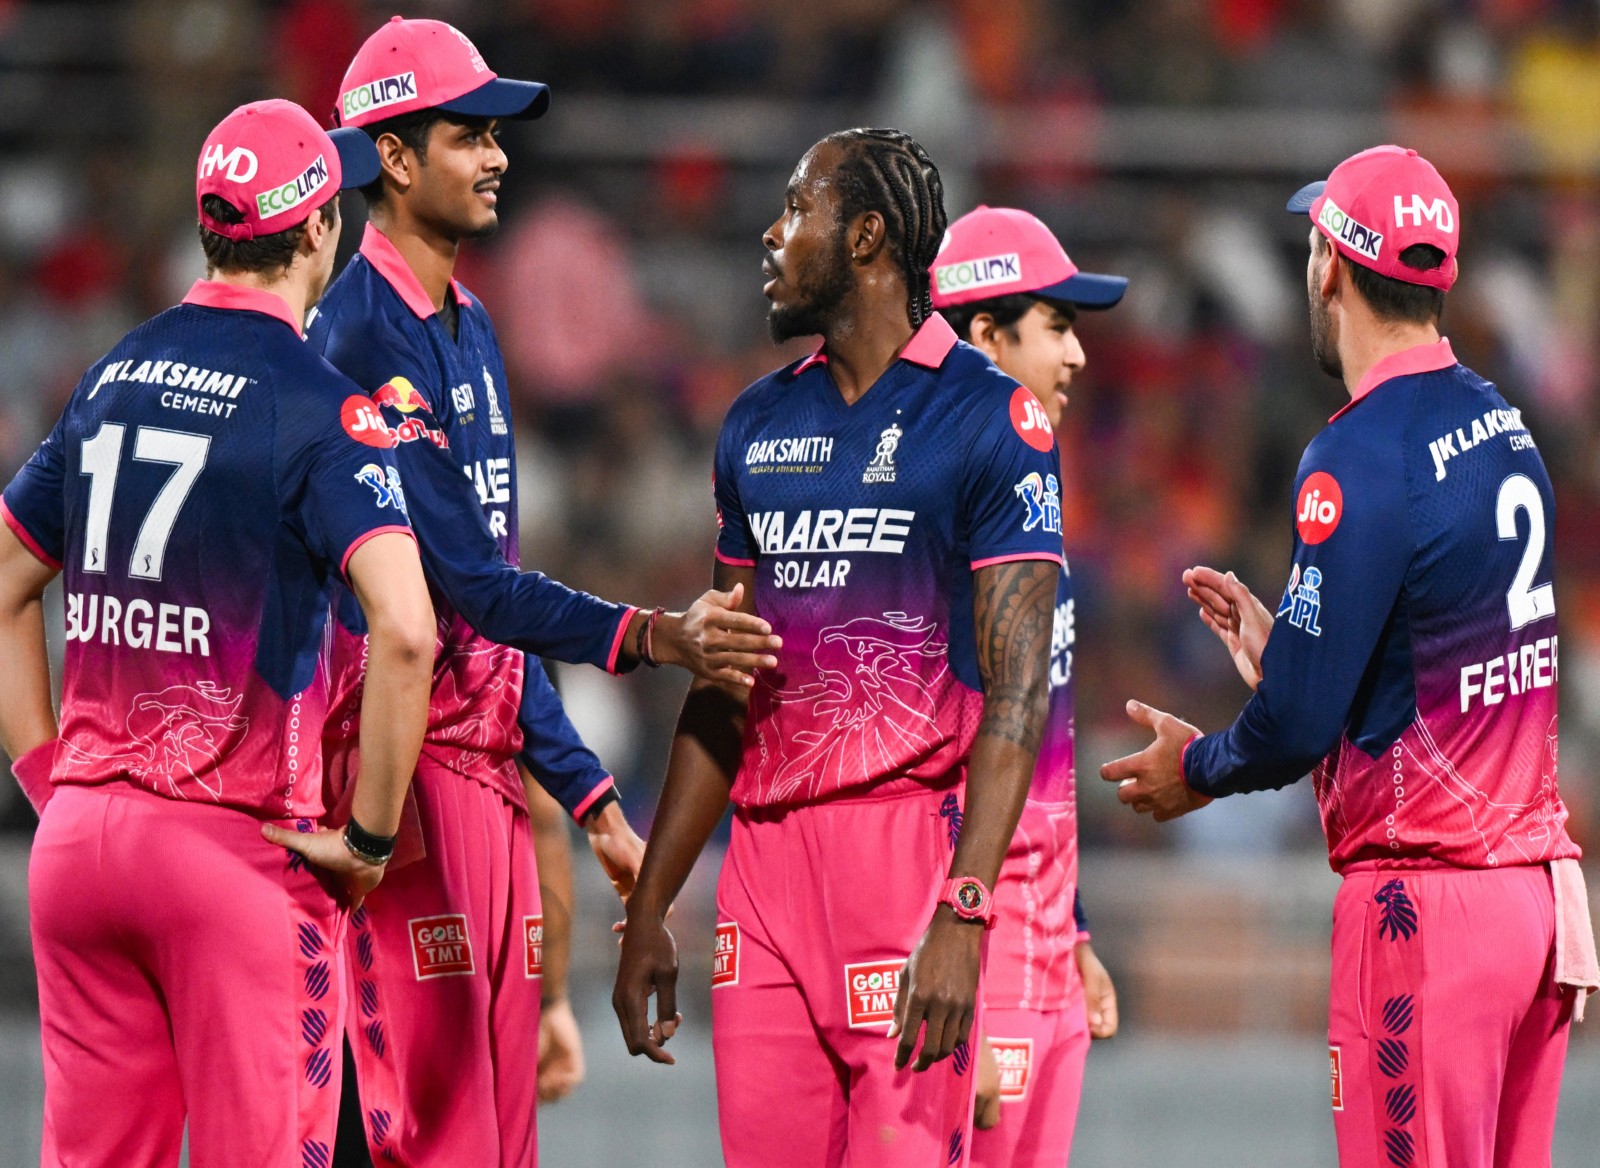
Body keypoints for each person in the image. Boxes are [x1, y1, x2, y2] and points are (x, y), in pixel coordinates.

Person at [308, 17, 779, 1168]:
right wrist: (656, 636)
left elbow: (493, 626)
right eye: (470, 135)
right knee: (400, 1136)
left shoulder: (468, 325)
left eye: (495, 134)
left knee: (491, 1144)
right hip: (393, 791)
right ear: (394, 158)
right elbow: (471, 590)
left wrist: (594, 804)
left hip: (480, 790)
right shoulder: (358, 334)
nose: (498, 155)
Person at [1102, 145, 1599, 1166]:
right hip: (1536, 908)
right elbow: (1419, 662)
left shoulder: (1358, 452)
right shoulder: (1503, 426)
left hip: (1427, 910)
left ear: (1330, 265)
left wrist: (1197, 768)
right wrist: (1295, 652)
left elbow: (1295, 726)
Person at [614, 129, 1064, 1168]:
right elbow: (725, 684)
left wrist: (965, 912)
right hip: (762, 876)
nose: (771, 235)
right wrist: (649, 908)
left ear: (865, 238)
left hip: (906, 863)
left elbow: (1018, 691)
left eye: (795, 209)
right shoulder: (754, 425)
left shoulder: (992, 417)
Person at [0, 99, 436, 1166]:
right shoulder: (323, 407)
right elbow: (407, 632)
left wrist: (53, 778)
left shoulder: (109, 375)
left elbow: (5, 580)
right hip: (231, 855)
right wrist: (370, 843)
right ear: (319, 229)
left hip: (78, 852)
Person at [931, 205, 1123, 1167]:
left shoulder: (1031, 504)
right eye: (1057, 326)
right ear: (984, 335)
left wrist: (1075, 932)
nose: (1078, 354)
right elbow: (921, 769)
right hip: (975, 947)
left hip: (1047, 952)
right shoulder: (932, 524)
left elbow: (1042, 753)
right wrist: (958, 973)